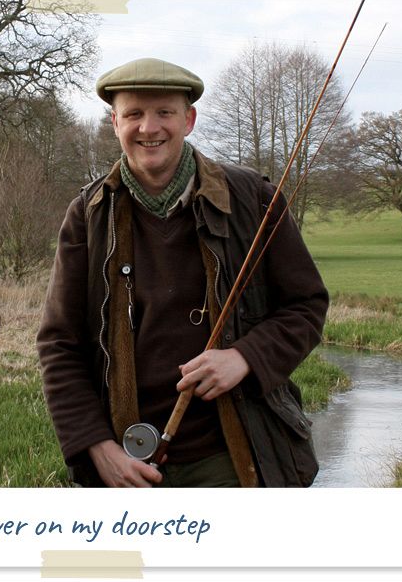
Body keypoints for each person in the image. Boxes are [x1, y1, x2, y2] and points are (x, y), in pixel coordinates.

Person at [36, 57, 328, 488]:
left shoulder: (254, 199)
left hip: (234, 455)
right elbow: (59, 344)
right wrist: (97, 447)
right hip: (126, 466)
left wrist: (245, 357)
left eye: (164, 113)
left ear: (188, 120)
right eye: (134, 113)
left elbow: (306, 306)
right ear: (114, 122)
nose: (148, 128)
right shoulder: (87, 214)